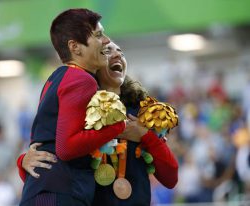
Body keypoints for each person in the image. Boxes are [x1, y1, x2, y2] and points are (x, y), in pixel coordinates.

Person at [17, 42, 178, 205]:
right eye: (107, 51)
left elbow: (171, 178)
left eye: (121, 52)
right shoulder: (78, 112)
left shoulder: (142, 112)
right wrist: (23, 161)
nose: (117, 55)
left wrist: (145, 136)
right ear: (93, 64)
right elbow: (57, 154)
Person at [19, 9, 126, 206]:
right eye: (98, 35)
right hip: (60, 192)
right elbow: (66, 147)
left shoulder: (56, 77)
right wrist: (118, 127)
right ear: (75, 47)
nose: (106, 40)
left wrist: (22, 162)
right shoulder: (81, 79)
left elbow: (46, 138)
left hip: (47, 190)